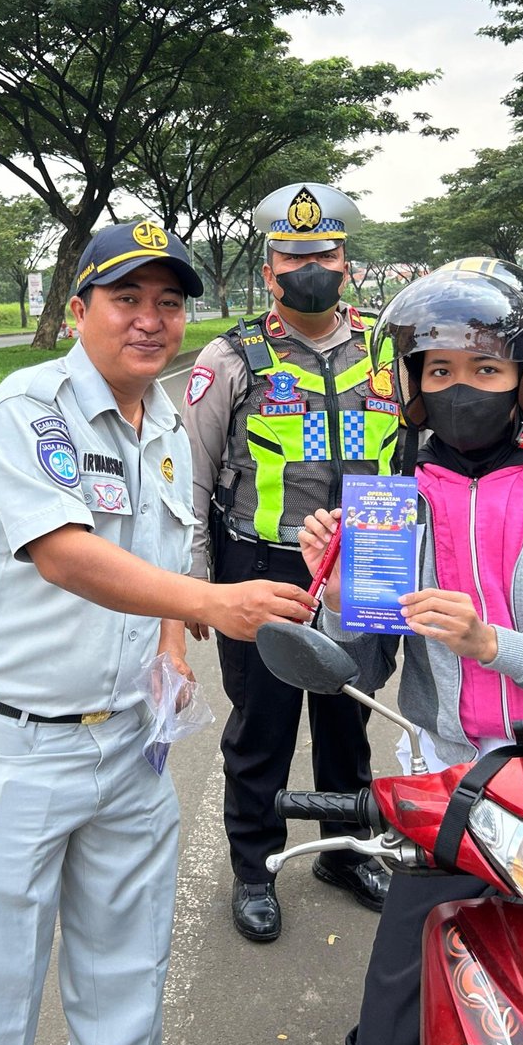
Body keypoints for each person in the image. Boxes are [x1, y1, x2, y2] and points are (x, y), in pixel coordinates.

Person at [0, 221, 318, 1045]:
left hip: (130, 747)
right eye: (126, 299)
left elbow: (165, 549)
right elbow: (65, 553)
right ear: (77, 309)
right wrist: (216, 601)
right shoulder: (32, 409)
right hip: (16, 748)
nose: (150, 320)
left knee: (128, 981)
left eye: (169, 303)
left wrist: (173, 642)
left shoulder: (168, 422)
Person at [296, 257, 523, 1045]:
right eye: (441, 369)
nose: (463, 388)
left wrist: (495, 644)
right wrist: (336, 589)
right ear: (414, 383)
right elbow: (359, 669)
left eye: (487, 367)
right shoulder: (395, 501)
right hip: (453, 780)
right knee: (390, 1037)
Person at [184, 182, 398, 942]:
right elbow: (195, 478)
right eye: (292, 255)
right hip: (262, 566)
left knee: (351, 719)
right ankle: (255, 867)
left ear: (348, 264)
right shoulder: (232, 356)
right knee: (262, 729)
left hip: (368, 562)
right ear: (269, 269)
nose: (310, 265)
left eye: (324, 253)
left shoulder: (389, 348)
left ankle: (347, 852)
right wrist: (196, 592)